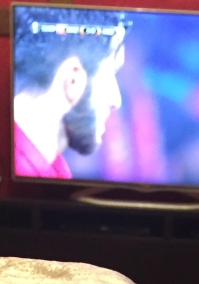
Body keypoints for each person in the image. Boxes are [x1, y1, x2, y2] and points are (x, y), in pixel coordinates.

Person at [13, 8, 128, 179]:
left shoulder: (53, 171)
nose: (116, 100)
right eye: (110, 74)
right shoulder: (22, 172)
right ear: (73, 80)